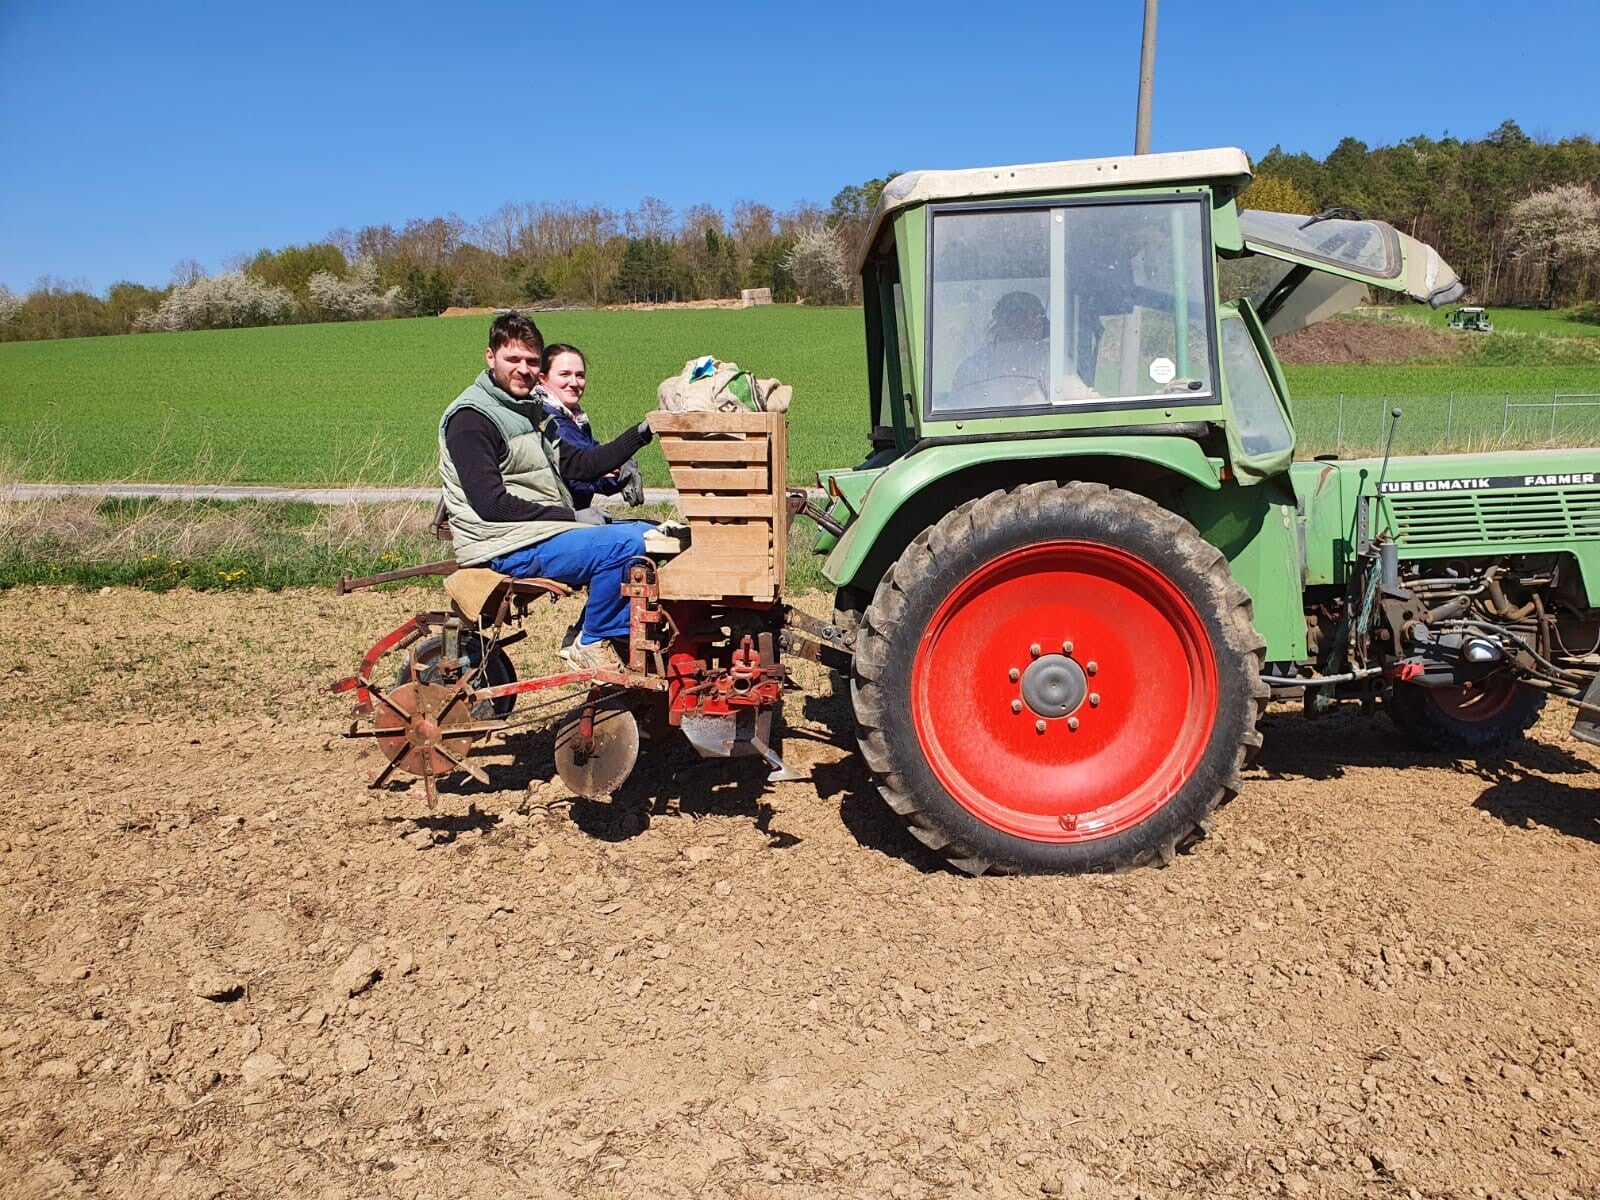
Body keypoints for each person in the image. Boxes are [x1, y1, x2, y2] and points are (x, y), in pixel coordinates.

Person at [438, 312, 655, 671]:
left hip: (536, 531)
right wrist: (572, 516)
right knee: (624, 545)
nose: (523, 369)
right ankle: (592, 640)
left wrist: (644, 431)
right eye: (513, 359)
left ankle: (593, 633)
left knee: (650, 533)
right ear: (490, 358)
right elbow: (491, 504)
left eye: (531, 361)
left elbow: (580, 465)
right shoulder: (472, 419)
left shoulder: (529, 411)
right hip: (504, 543)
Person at [537, 343, 646, 510]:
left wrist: (616, 468)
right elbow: (579, 475)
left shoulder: (574, 419)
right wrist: (611, 468)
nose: (574, 382)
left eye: (580, 375)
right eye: (564, 374)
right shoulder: (550, 421)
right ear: (542, 378)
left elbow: (594, 461)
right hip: (558, 520)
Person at [950, 290, 1098, 403]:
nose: (1039, 327)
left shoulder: (968, 367)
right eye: (1038, 320)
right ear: (1033, 323)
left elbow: (953, 408)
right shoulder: (1044, 358)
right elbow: (1079, 401)